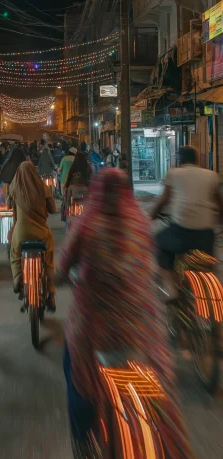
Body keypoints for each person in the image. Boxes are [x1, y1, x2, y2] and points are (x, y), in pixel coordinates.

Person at [58, 169, 194, 457]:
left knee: (73, 368)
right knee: (160, 383)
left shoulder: (87, 225)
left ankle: (83, 441)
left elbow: (62, 267)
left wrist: (59, 278)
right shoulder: (139, 224)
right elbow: (151, 268)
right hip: (140, 329)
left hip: (95, 330)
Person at [150, 146, 222, 301]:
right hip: (205, 233)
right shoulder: (212, 175)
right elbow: (219, 204)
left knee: (158, 243)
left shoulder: (174, 173)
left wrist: (151, 216)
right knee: (209, 264)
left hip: (181, 232)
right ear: (197, 160)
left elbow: (163, 201)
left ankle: (172, 289)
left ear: (179, 160)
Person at [8, 162, 56, 311]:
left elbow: (9, 205)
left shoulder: (14, 187)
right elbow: (53, 209)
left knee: (15, 252)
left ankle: (17, 277)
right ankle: (51, 293)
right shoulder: (43, 187)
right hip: (41, 232)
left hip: (21, 232)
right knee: (48, 258)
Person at [63, 152, 92, 225]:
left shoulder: (73, 168)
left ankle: (69, 226)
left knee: (70, 210)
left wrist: (65, 189)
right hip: (84, 191)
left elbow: (68, 180)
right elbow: (91, 181)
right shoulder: (88, 168)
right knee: (85, 210)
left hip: (72, 191)